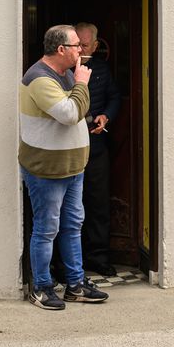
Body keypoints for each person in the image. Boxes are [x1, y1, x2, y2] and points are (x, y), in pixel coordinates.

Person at [19, 24, 109, 310]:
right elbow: (70, 114)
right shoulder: (39, 79)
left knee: (72, 226)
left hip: (72, 167)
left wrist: (82, 97)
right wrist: (81, 83)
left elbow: (80, 110)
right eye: (76, 46)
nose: (81, 51)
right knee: (46, 229)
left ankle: (75, 284)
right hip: (47, 170)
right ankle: (42, 288)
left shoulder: (65, 73)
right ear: (61, 50)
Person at [74, 22, 121, 276]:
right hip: (68, 146)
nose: (80, 49)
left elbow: (114, 96)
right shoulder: (62, 70)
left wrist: (106, 117)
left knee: (98, 202)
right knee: (70, 204)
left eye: (85, 45)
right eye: (77, 44)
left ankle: (98, 257)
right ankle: (66, 262)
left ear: (95, 45)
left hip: (97, 143)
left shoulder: (101, 67)